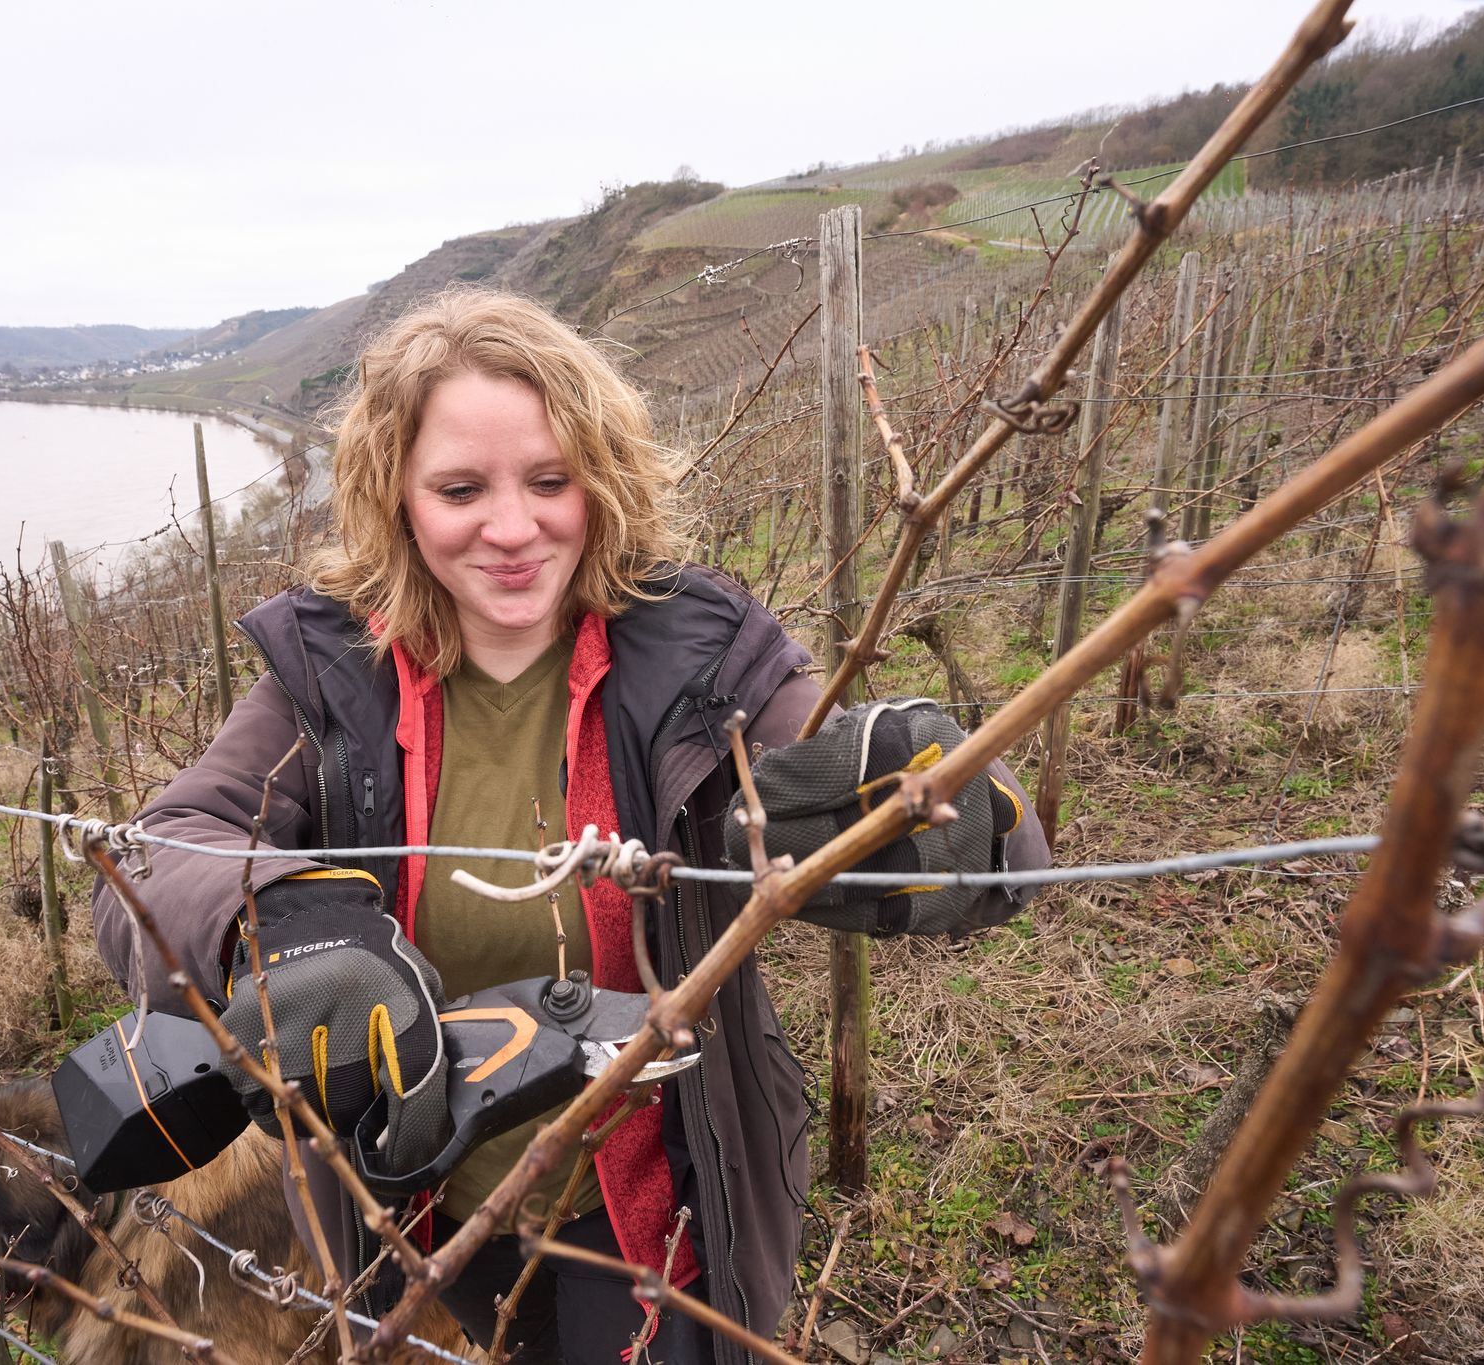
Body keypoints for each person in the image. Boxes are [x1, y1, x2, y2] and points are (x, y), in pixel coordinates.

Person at [91, 287, 1051, 1364]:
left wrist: (936, 813)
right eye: (460, 488)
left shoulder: (702, 654)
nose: (512, 528)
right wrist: (278, 924)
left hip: (654, 1204)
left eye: (550, 480)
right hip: (401, 1209)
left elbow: (956, 824)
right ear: (395, 498)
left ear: (599, 474)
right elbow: (159, 854)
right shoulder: (334, 677)